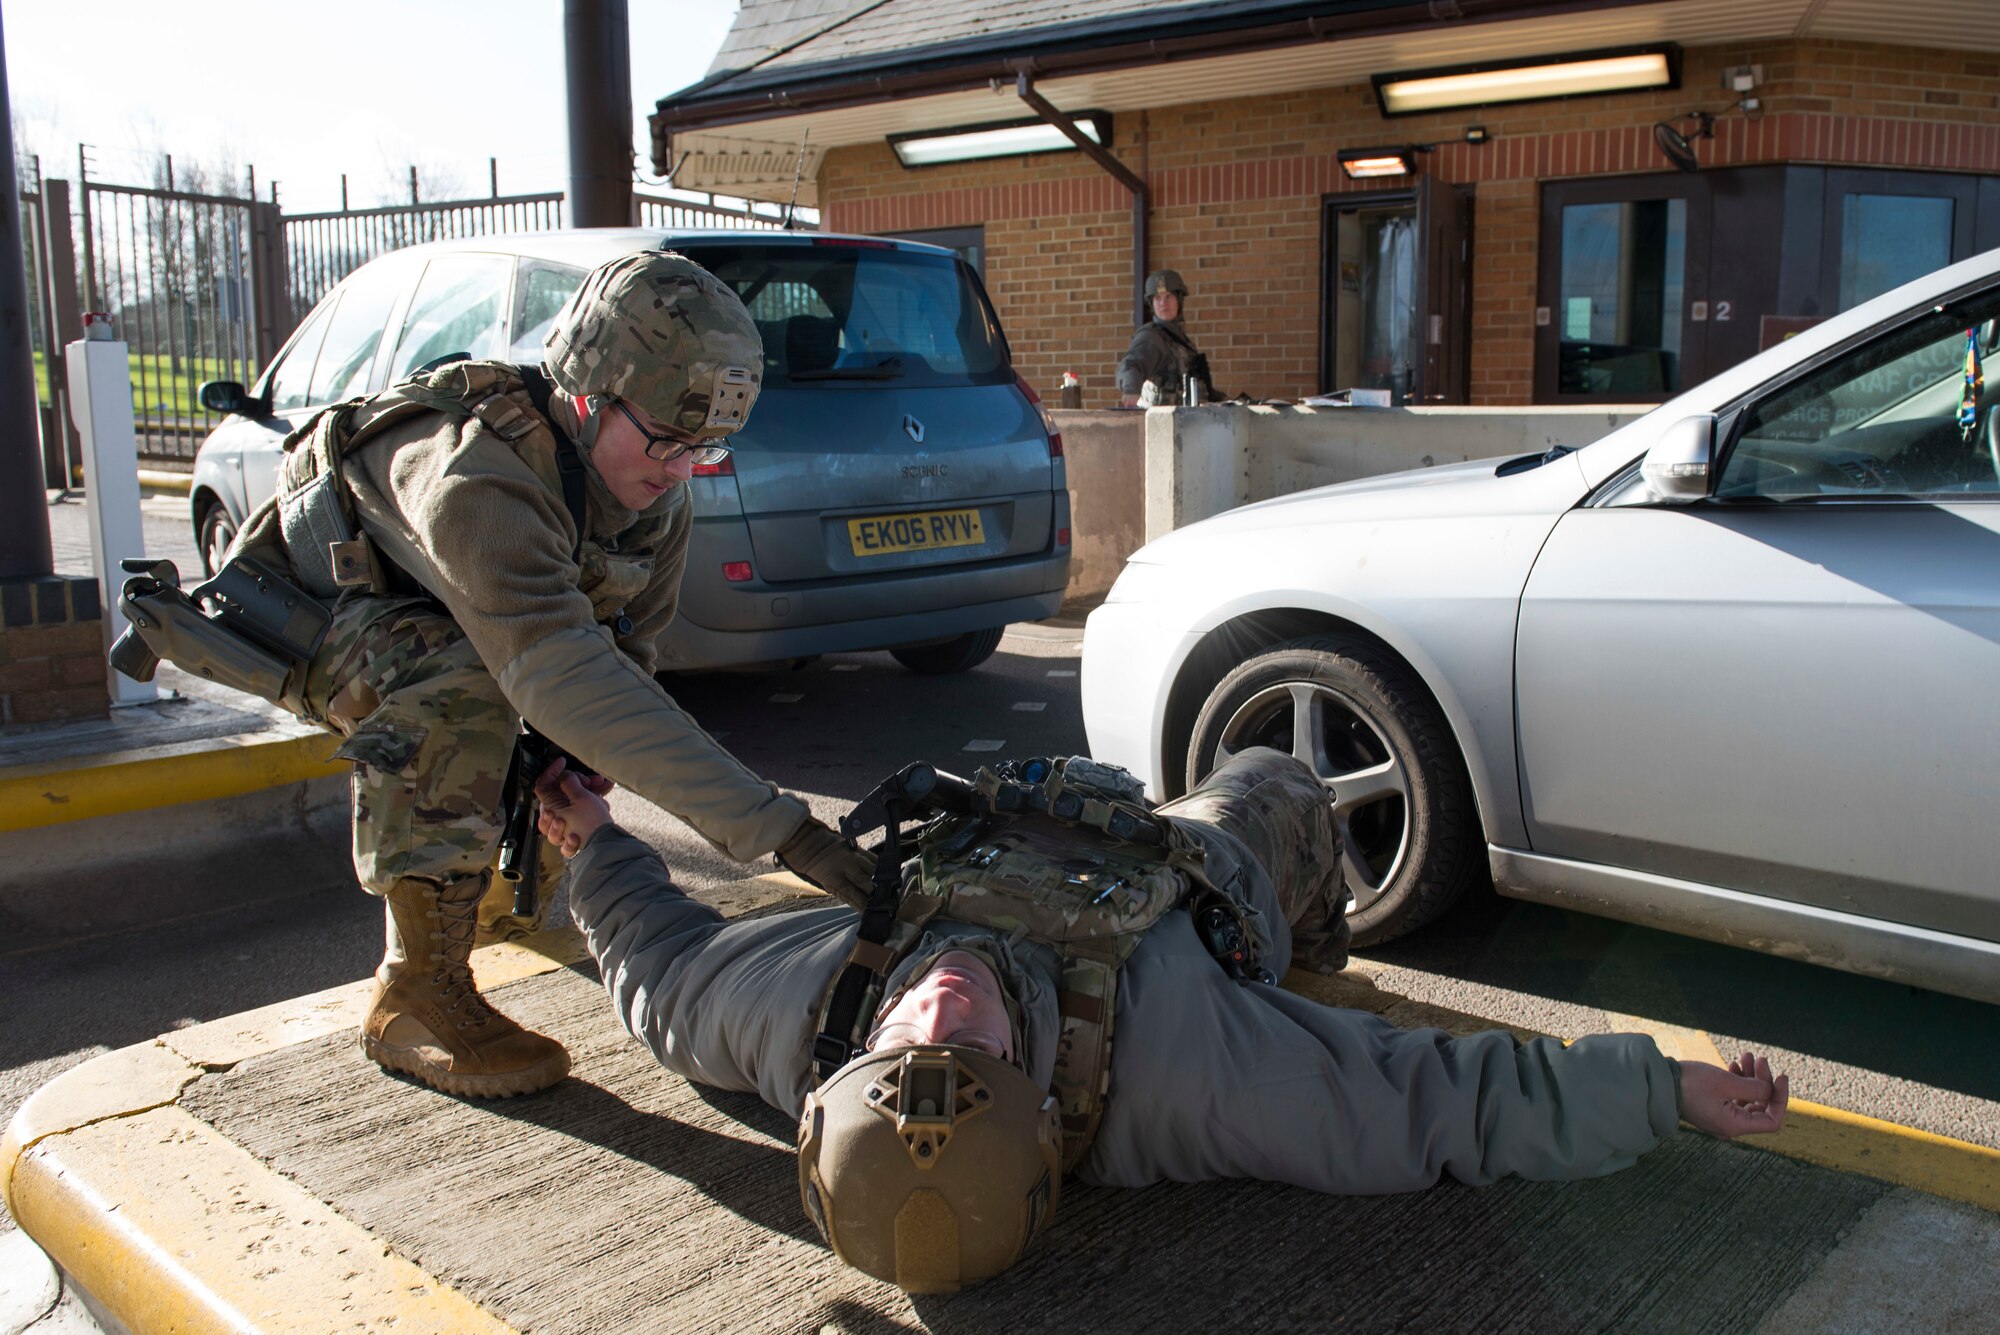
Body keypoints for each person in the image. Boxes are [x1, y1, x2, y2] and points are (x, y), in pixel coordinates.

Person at [535, 746, 1791, 1293]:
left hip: (999, 822)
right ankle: (1308, 950)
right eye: (964, 1056)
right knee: (1276, 781)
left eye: (895, 1049)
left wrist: (590, 842)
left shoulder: (789, 1014)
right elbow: (1427, 1102)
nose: (936, 1006)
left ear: (835, 1074)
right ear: (1036, 1109)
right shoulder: (1192, 1081)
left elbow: (659, 972)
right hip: (1193, 877)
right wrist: (1662, 1092)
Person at [224, 250, 875, 1099]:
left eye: (705, 449)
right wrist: (786, 831)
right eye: (667, 441)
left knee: (548, 746)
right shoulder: (472, 472)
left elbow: (623, 665)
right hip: (311, 621)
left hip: (463, 622)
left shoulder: (652, 489)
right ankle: (414, 990)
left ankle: (479, 892)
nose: (681, 469)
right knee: (466, 687)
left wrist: (580, 771)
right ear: (585, 392)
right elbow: (557, 672)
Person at [1118, 268, 1217, 406]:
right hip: (1162, 422)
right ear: (1152, 304)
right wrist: (1131, 390)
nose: (1163, 303)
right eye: (1157, 298)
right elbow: (1131, 364)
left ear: (1179, 300)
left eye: (1168, 296)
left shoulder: (1181, 341)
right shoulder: (1151, 337)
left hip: (1186, 419)